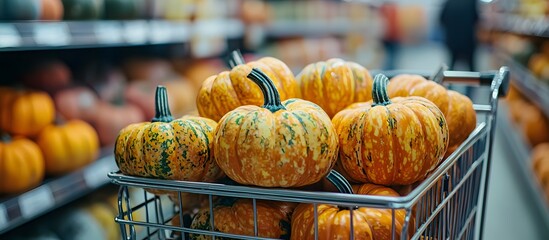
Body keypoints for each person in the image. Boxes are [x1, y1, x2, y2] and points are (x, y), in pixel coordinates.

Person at [439, 0, 479, 71]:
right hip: (467, 39)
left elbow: (441, 19)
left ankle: (449, 81)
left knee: (450, 66)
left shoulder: (449, 2)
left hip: (452, 39)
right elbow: (476, 19)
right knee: (471, 67)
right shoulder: (471, 2)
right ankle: (473, 81)